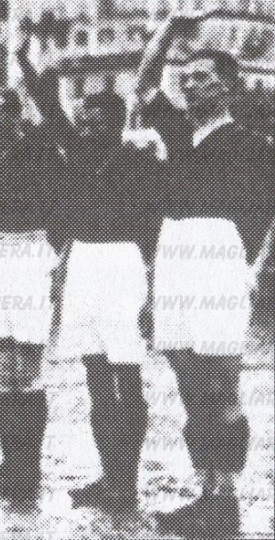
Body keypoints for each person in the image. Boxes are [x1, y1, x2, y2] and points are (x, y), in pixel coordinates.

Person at [135, 12, 275, 536]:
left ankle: (226, 499)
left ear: (228, 87)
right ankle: (206, 495)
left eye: (204, 79)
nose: (192, 86)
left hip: (219, 257)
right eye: (188, 78)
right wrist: (170, 29)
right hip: (175, 252)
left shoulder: (250, 142)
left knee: (221, 385)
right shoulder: (176, 130)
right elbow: (145, 84)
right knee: (189, 381)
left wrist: (256, 265)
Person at [15, 26, 165, 510]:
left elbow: (153, 225)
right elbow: (48, 104)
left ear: (115, 123)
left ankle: (127, 479)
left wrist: (151, 283)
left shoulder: (139, 162)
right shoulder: (78, 154)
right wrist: (26, 61)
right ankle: (109, 476)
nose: (85, 128)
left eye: (95, 121)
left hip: (122, 264)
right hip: (83, 262)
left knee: (127, 373)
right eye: (83, 121)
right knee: (96, 378)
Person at [0, 83, 65, 502]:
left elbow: (64, 208)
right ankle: (11, 464)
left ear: (15, 114)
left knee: (28, 371)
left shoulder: (40, 151)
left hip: (31, 252)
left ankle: (28, 468)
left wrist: (57, 267)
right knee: (3, 371)